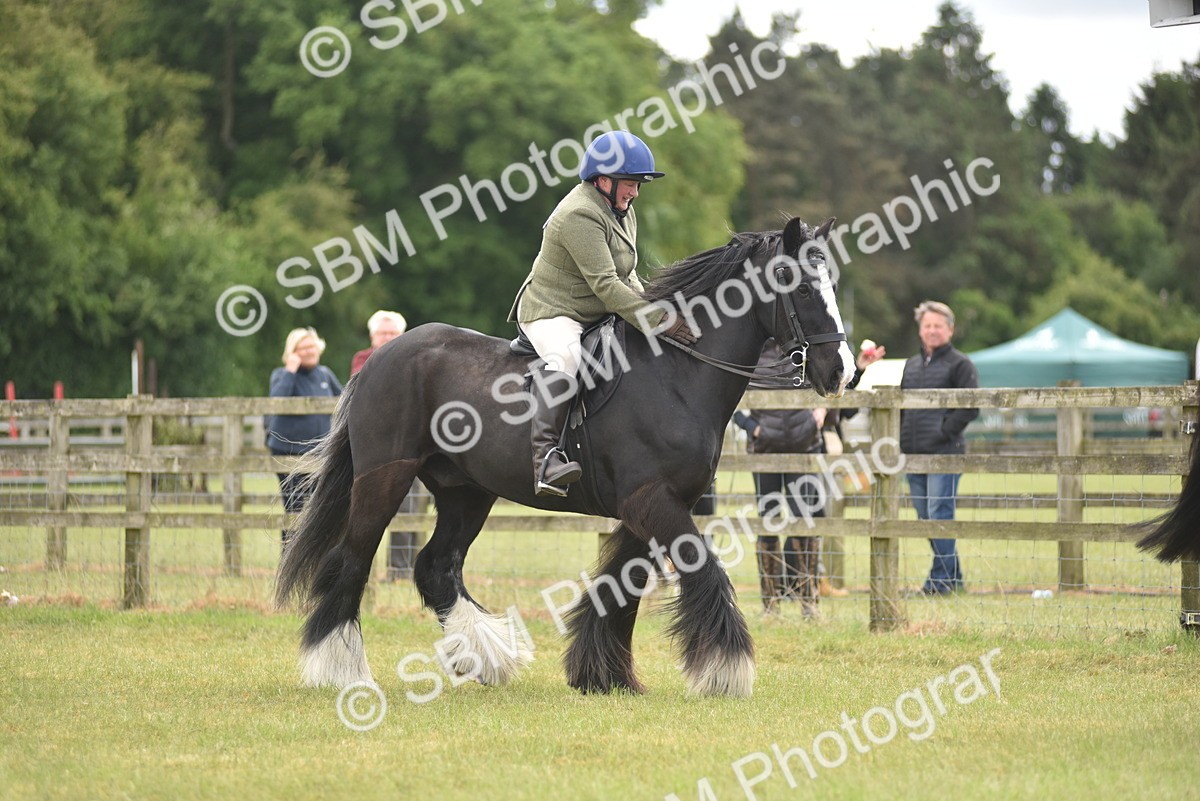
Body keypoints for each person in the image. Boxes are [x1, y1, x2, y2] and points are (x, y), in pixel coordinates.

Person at [507, 130, 697, 497]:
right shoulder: (580, 213)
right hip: (553, 310)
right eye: (630, 183)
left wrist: (652, 310)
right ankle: (545, 459)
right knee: (567, 356)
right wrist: (658, 321)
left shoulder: (621, 210)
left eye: (639, 184)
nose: (635, 192)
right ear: (603, 180)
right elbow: (607, 285)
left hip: (594, 308)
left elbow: (628, 277)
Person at [734, 340, 884, 615]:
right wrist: (752, 428)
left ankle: (808, 599)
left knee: (805, 522)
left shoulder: (804, 349)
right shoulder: (751, 351)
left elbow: (834, 385)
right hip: (765, 451)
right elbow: (729, 397)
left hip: (804, 448)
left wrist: (822, 412)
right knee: (768, 521)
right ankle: (771, 604)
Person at [899, 300, 979, 595]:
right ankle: (953, 576)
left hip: (944, 453)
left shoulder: (961, 364)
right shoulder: (912, 364)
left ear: (950, 329)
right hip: (913, 454)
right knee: (924, 517)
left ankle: (939, 582)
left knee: (939, 513)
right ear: (920, 330)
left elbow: (970, 407)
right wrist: (902, 437)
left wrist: (942, 431)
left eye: (937, 325)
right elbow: (901, 407)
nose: (932, 331)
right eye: (927, 325)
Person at [350, 310, 423, 580]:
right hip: (373, 448)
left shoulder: (414, 361)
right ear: (372, 336)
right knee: (365, 510)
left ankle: (400, 569)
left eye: (393, 333)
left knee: (409, 508)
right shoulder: (364, 360)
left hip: (408, 443)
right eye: (383, 333)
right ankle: (357, 570)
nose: (388, 337)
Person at [266, 327, 342, 545]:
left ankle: (314, 557)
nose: (309, 351)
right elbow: (277, 402)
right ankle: (289, 556)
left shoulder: (325, 374)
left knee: (320, 507)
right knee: (295, 507)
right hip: (288, 452)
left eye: (312, 346)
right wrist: (291, 369)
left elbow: (344, 399)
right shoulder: (281, 375)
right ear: (292, 351)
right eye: (303, 347)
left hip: (321, 452)